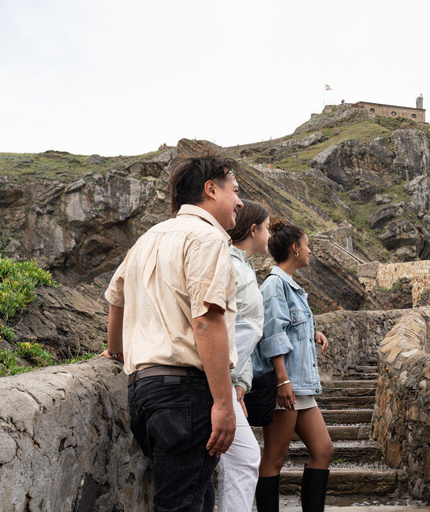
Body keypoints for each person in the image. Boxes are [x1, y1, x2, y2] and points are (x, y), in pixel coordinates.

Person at [103, 154, 243, 512]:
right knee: (181, 504)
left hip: (143, 392)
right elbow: (206, 321)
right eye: (235, 191)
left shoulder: (149, 238)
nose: (240, 202)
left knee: (193, 495)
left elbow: (116, 299)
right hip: (186, 393)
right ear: (211, 190)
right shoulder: (208, 237)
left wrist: (116, 352)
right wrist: (224, 404)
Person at [253, 219, 333, 512]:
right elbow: (272, 333)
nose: (310, 250)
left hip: (300, 386)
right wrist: (282, 380)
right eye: (307, 244)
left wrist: (313, 332)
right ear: (294, 248)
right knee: (275, 457)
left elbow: (289, 326)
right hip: (286, 384)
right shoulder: (275, 285)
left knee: (323, 450)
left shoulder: (292, 287)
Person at [218, 200, 271, 511]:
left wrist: (241, 384)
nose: (269, 235)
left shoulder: (245, 268)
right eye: (265, 228)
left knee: (239, 460)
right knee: (245, 458)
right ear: (253, 230)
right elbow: (224, 327)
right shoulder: (231, 266)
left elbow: (247, 336)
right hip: (217, 376)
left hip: (230, 380)